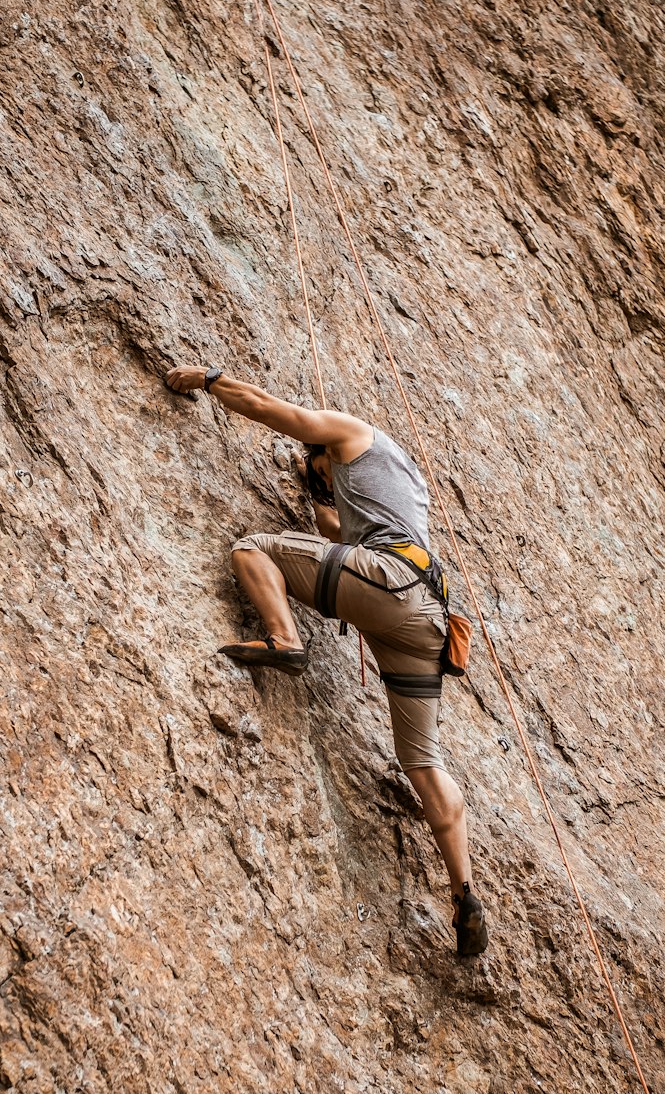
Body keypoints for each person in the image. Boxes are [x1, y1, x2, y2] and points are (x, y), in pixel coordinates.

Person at [164, 364, 488, 957]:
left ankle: (284, 639)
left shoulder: (348, 433)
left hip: (390, 583)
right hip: (425, 622)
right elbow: (333, 532)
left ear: (323, 450)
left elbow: (264, 407)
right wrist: (320, 495)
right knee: (421, 759)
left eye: (315, 469)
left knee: (253, 547)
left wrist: (207, 380)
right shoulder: (392, 484)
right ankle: (463, 889)